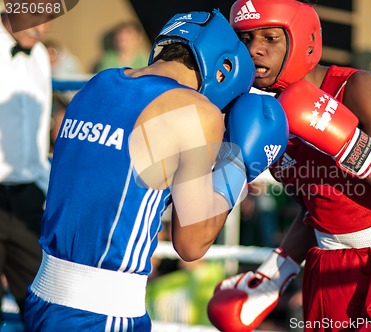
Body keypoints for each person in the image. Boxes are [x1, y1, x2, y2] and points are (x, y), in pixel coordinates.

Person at [23, 9, 288, 331]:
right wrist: (238, 164)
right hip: (101, 311)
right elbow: (192, 243)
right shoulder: (194, 110)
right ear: (224, 71)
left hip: (42, 296)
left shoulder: (99, 83)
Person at [207, 1, 371, 331]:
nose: (255, 50)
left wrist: (346, 143)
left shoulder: (357, 88)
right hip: (324, 266)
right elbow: (316, 209)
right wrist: (274, 274)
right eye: (245, 39)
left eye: (270, 38)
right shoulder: (264, 118)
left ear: (303, 39)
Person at [0, 6, 55, 328]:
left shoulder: (37, 58)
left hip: (28, 199)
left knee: (41, 307)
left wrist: (44, 186)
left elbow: (36, 131)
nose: (44, 28)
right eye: (38, 16)